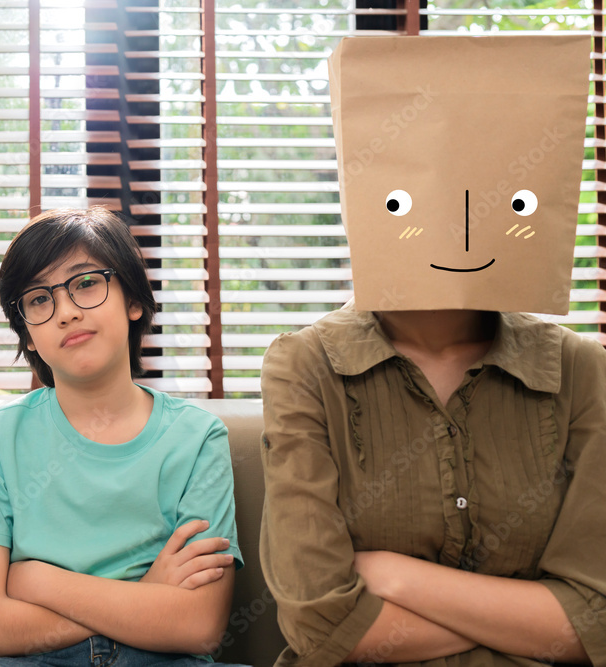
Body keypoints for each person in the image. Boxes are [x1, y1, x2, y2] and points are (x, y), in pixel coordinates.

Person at [259, 35, 605, 667]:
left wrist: (396, 576)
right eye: (406, 201)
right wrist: (522, 616)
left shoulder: (582, 371)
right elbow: (322, 626)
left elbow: (596, 623)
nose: (459, 226)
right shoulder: (306, 366)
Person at [0, 208, 246, 667]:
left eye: (86, 283)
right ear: (27, 334)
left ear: (133, 300)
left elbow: (198, 626)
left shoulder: (197, 436)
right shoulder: (0, 435)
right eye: (39, 299)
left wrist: (38, 581)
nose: (66, 311)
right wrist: (144, 599)